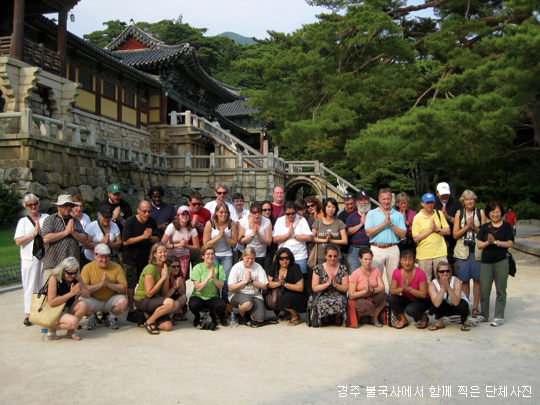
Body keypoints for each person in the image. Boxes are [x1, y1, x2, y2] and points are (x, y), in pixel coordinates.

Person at [476, 200, 514, 327]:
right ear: (488, 213)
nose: (495, 214)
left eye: (498, 212)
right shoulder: (485, 227)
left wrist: (496, 242)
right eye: (493, 212)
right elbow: (479, 244)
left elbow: (510, 243)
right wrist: (488, 242)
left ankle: (499, 316)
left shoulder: (506, 226)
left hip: (501, 261)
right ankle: (484, 314)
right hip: (486, 262)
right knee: (484, 290)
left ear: (501, 212)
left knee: (501, 290)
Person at [14, 193, 49, 326]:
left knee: (44, 284)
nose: (33, 206)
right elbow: (18, 241)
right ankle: (28, 313)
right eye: (30, 205)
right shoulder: (22, 222)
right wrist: (33, 235)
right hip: (29, 257)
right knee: (30, 285)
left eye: (35, 203)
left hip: (45, 256)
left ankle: (42, 310)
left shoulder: (45, 218)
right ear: (26, 206)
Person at [122, 200, 159, 322]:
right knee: (131, 285)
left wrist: (149, 237)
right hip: (130, 257)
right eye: (144, 211)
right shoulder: (130, 222)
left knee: (144, 284)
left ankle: (143, 308)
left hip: (144, 257)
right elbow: (125, 241)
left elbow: (157, 238)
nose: (147, 214)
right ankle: (131, 310)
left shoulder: (152, 221)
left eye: (149, 211)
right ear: (138, 210)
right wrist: (142, 237)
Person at [453, 189, 486, 318]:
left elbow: (484, 232)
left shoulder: (481, 213)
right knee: (465, 280)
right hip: (463, 250)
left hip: (477, 250)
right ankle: (466, 306)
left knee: (477, 280)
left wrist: (474, 228)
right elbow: (455, 234)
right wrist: (466, 227)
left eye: (472, 199)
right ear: (463, 201)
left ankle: (476, 307)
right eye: (467, 199)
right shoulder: (459, 214)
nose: (470, 201)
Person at [365, 188, 407, 286]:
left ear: (391, 199)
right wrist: (384, 224)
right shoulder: (372, 213)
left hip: (393, 248)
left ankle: (393, 299)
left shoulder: (398, 215)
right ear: (379, 199)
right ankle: (378, 300)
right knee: (375, 278)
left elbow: (403, 234)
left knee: (394, 279)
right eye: (384, 199)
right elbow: (368, 232)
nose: (386, 201)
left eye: (388, 199)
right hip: (377, 248)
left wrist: (391, 224)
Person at [80, 244, 128, 331]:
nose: (104, 260)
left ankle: (110, 318)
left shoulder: (116, 267)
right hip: (93, 299)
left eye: (106, 257)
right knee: (81, 303)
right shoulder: (87, 268)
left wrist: (109, 284)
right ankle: (92, 318)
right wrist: (100, 284)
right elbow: (83, 289)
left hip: (110, 299)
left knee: (123, 302)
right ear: (95, 256)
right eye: (101, 257)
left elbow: (124, 287)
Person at [134, 243, 179, 334]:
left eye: (165, 252)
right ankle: (149, 321)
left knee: (167, 326)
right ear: (154, 254)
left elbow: (164, 295)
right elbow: (149, 293)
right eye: (160, 252)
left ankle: (148, 316)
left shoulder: (166, 269)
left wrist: (166, 278)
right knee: (170, 302)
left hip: (154, 300)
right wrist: (162, 278)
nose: (163, 254)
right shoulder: (150, 268)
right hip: (143, 300)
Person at [44, 257, 90, 340]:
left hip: (68, 307)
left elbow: (87, 294)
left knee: (83, 304)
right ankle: (51, 326)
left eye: (75, 272)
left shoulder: (76, 277)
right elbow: (51, 302)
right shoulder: (54, 278)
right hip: (55, 310)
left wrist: (79, 292)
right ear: (63, 271)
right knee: (74, 322)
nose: (73, 275)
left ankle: (70, 332)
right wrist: (71, 294)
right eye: (70, 273)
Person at [412, 193, 451, 283]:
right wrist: (430, 230)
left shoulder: (439, 214)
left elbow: (448, 231)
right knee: (425, 281)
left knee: (443, 279)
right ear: (422, 204)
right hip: (424, 254)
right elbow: (416, 238)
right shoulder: (417, 218)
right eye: (427, 203)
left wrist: (437, 230)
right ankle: (427, 297)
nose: (430, 205)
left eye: (432, 203)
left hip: (440, 252)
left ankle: (442, 297)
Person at [42, 195, 88, 270]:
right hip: (53, 264)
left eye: (70, 205)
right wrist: (65, 232)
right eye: (65, 205)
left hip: (72, 266)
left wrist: (73, 233)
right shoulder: (50, 220)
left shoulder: (75, 221)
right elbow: (46, 238)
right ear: (58, 206)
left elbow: (85, 239)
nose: (68, 208)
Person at [203, 202, 237, 301]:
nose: (223, 214)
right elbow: (206, 244)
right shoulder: (210, 223)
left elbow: (234, 243)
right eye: (221, 212)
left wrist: (225, 236)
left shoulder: (232, 223)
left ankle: (226, 303)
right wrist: (219, 236)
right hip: (213, 256)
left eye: (226, 212)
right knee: (215, 280)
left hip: (227, 255)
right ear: (216, 212)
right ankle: (216, 302)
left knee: (226, 280)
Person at [228, 246, 270, 327]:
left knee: (260, 318)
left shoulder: (258, 267)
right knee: (247, 303)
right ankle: (242, 314)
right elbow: (231, 287)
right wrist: (245, 281)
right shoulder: (237, 267)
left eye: (253, 258)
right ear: (243, 256)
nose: (250, 261)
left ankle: (250, 313)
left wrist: (252, 281)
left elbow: (264, 286)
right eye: (248, 258)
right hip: (237, 294)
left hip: (255, 294)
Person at [388, 249, 430, 329]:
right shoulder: (397, 272)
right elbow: (392, 291)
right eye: (404, 260)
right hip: (408, 299)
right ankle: (403, 319)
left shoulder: (420, 273)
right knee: (391, 299)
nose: (407, 263)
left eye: (410, 260)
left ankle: (423, 317)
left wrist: (409, 288)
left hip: (421, 300)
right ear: (400, 260)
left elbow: (424, 294)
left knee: (410, 310)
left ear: (414, 260)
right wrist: (402, 289)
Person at [189, 245, 227, 329]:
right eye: (208, 254)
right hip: (199, 296)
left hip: (212, 297)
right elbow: (198, 288)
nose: (210, 256)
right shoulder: (197, 268)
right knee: (192, 304)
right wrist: (208, 277)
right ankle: (197, 316)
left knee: (222, 304)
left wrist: (213, 277)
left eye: (212, 254)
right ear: (203, 256)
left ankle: (212, 315)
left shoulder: (219, 267)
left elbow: (221, 286)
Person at [266, 247, 308, 326]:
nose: (284, 260)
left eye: (287, 258)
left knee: (286, 299)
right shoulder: (275, 267)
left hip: (296, 293)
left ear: (290, 258)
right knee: (269, 295)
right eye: (282, 258)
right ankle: (286, 312)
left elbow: (300, 288)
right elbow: (268, 283)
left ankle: (296, 316)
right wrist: (278, 284)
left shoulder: (295, 268)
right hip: (279, 292)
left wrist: (285, 284)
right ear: (278, 259)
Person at [348, 246, 388, 327]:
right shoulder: (355, 273)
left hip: (371, 296)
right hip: (359, 298)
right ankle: (360, 317)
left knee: (384, 295)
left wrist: (372, 290)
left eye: (370, 259)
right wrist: (364, 291)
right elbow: (351, 295)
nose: (368, 262)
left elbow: (382, 287)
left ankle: (374, 317)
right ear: (360, 259)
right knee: (368, 306)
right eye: (365, 259)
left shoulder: (375, 270)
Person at [311, 244, 349, 326]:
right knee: (322, 301)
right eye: (330, 256)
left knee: (340, 300)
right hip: (323, 294)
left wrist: (336, 285)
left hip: (338, 294)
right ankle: (325, 318)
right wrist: (327, 284)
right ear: (325, 256)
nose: (333, 258)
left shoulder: (343, 268)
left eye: (335, 256)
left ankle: (338, 318)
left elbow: (345, 288)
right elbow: (314, 288)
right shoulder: (318, 268)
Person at [428, 261, 471, 331]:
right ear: (438, 273)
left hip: (456, 305)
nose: (445, 273)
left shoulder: (456, 280)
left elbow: (456, 302)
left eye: (447, 271)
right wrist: (443, 289)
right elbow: (436, 304)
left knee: (463, 305)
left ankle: (465, 320)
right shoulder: (433, 284)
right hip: (446, 306)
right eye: (442, 271)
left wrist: (448, 288)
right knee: (434, 301)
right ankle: (439, 322)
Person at [272, 201, 313, 273]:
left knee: (300, 278)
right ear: (284, 212)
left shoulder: (301, 220)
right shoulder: (280, 221)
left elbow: (309, 237)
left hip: (300, 256)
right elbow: (275, 239)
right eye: (288, 214)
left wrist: (295, 236)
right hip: (284, 256)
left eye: (293, 213)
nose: (291, 215)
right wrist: (287, 235)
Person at [162, 205, 200, 279]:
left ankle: (182, 290)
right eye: (183, 214)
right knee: (170, 277)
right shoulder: (172, 227)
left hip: (183, 255)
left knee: (181, 278)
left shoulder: (192, 229)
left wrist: (186, 246)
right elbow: (162, 244)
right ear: (178, 216)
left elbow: (197, 247)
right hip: (171, 254)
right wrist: (178, 245)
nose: (185, 216)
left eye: (187, 214)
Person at [434, 182, 463, 270]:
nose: (445, 196)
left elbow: (461, 222)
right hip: (437, 237)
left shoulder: (456, 203)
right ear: (437, 193)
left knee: (451, 262)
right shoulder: (433, 203)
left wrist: (448, 217)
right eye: (442, 194)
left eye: (446, 194)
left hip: (452, 238)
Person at [312, 198, 347, 265]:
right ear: (325, 207)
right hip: (321, 256)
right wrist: (325, 240)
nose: (331, 209)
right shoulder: (318, 221)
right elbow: (312, 238)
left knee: (336, 274)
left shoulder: (339, 222)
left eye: (333, 207)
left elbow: (345, 241)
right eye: (328, 207)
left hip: (336, 257)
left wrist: (331, 240)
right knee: (321, 273)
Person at [238, 202, 272, 267]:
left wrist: (259, 234)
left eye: (259, 213)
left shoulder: (267, 222)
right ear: (250, 213)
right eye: (254, 212)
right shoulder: (243, 221)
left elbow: (269, 242)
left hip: (261, 255)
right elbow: (240, 241)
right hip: (246, 255)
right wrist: (252, 235)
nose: (257, 215)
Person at [345, 191, 371, 274]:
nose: (363, 202)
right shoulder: (352, 216)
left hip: (370, 249)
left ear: (369, 200)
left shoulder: (373, 215)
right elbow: (347, 233)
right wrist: (361, 224)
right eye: (361, 200)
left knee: (370, 275)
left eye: (366, 199)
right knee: (354, 275)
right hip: (355, 250)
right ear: (357, 201)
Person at [188, 191, 212, 269]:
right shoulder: (184, 212)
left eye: (199, 204)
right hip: (187, 245)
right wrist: (191, 225)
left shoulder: (206, 212)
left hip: (200, 245)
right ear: (189, 202)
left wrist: (198, 226)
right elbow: (180, 230)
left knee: (200, 272)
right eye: (194, 204)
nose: (197, 206)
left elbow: (208, 232)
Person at [337, 193, 357, 269]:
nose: (350, 206)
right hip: (345, 250)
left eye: (351, 203)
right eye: (347, 204)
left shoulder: (360, 212)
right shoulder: (340, 215)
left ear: (355, 201)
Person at [167, 256, 188, 323]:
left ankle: (178, 311)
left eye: (178, 266)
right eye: (173, 266)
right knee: (175, 303)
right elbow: (164, 296)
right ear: (168, 267)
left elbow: (180, 293)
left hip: (172, 295)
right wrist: (174, 287)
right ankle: (165, 316)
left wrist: (179, 285)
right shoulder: (165, 276)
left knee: (184, 297)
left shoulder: (179, 273)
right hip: (164, 298)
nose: (176, 268)